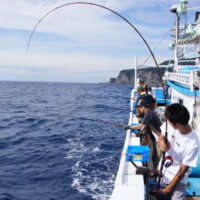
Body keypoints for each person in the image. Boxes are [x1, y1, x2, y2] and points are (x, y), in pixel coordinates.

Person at [153, 103, 199, 200]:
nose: (168, 123)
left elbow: (182, 171)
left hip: (178, 181)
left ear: (177, 125)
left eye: (169, 122)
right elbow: (161, 137)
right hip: (163, 173)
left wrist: (167, 190)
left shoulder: (193, 142)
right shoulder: (171, 125)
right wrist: (162, 143)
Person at [124, 98, 162, 171]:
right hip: (157, 137)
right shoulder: (150, 112)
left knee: (157, 156)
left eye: (140, 107)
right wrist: (129, 127)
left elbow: (142, 126)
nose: (139, 109)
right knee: (155, 156)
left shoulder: (148, 114)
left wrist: (131, 128)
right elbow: (142, 125)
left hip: (160, 137)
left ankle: (155, 172)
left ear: (143, 107)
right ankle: (154, 171)